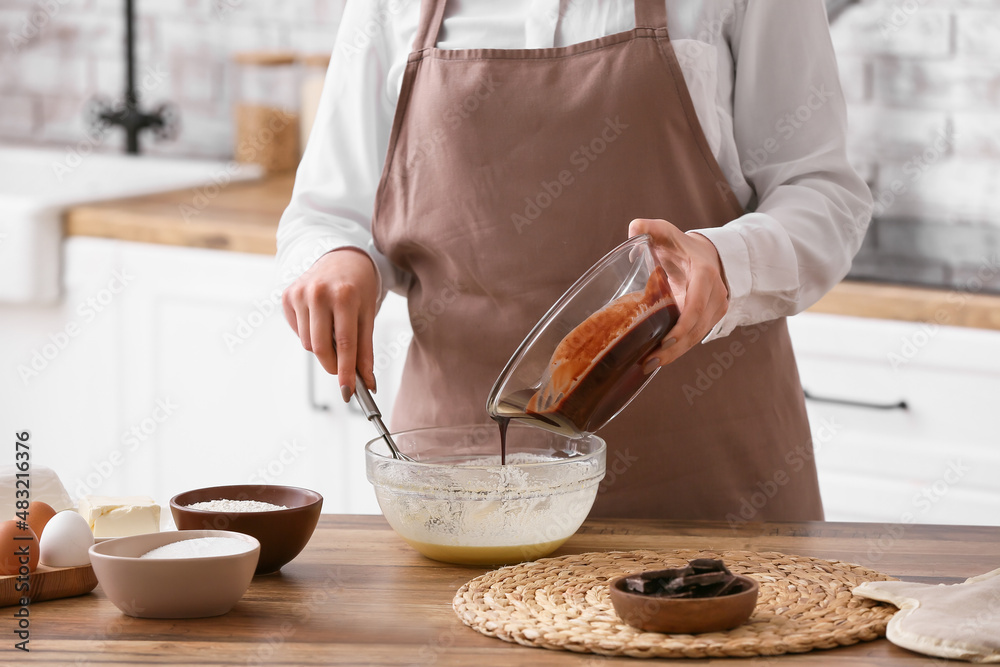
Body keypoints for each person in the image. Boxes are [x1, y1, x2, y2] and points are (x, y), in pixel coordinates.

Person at [276, 0, 874, 521]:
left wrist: (724, 263)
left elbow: (821, 189)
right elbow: (328, 212)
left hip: (711, 489)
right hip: (462, 496)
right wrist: (338, 257)